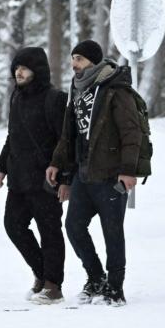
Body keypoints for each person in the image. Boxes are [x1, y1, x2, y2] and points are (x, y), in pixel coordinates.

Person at [47, 40, 143, 306]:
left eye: (79, 59)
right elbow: (69, 134)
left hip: (111, 175)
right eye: (72, 58)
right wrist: (59, 165)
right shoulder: (77, 89)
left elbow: (131, 132)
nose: (73, 63)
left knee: (112, 231)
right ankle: (96, 277)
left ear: (93, 61)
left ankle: (115, 288)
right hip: (83, 174)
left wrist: (128, 170)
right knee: (74, 227)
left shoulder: (114, 88)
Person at [0, 47, 69, 304]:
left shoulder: (54, 99)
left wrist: (65, 177)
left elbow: (65, 141)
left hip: (45, 180)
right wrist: (1, 168)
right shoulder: (16, 98)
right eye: (16, 68)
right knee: (13, 225)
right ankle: (40, 272)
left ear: (37, 70)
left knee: (49, 230)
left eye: (24, 68)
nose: (19, 72)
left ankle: (53, 285)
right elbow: (12, 136)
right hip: (18, 178)